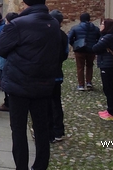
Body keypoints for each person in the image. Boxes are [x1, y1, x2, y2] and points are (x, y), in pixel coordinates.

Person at [0, 0, 61, 170]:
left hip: (19, 84)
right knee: (41, 129)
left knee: (18, 130)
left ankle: (22, 167)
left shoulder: (19, 24)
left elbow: (1, 49)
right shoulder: (54, 24)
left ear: (27, 2)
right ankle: (40, 166)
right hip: (44, 84)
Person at [91, 18, 113, 121]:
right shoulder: (109, 36)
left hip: (108, 65)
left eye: (103, 24)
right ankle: (110, 110)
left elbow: (95, 48)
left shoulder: (108, 37)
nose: (101, 26)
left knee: (108, 88)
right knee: (108, 88)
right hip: (107, 64)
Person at [48, 9, 68, 142]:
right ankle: (58, 131)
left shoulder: (48, 34)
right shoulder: (63, 35)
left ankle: (50, 132)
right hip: (57, 73)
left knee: (47, 104)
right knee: (56, 103)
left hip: (47, 74)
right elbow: (65, 54)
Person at [67, 12, 101, 91]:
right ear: (89, 19)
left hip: (80, 50)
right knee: (89, 66)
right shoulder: (95, 28)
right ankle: (89, 82)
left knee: (80, 67)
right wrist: (95, 45)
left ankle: (81, 85)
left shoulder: (75, 28)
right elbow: (100, 38)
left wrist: (75, 45)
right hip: (91, 49)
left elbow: (69, 38)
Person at [0, 12, 19, 112]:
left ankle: (8, 103)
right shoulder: (21, 30)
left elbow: (2, 47)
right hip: (16, 62)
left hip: (6, 61)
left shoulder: (7, 30)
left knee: (6, 81)